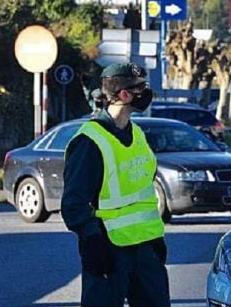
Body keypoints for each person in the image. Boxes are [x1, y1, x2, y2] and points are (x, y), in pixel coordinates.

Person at [61, 63, 169, 307]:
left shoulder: (138, 134)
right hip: (109, 250)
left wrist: (155, 243)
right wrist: (92, 242)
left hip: (145, 249)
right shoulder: (89, 141)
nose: (146, 93)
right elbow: (73, 204)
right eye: (140, 88)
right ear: (124, 95)